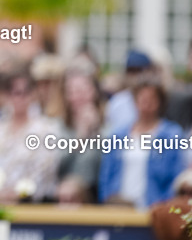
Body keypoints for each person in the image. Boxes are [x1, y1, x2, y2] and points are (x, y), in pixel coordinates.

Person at [100, 75, 187, 208]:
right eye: (142, 98)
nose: (146, 104)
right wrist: (108, 201)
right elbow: (106, 175)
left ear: (160, 102)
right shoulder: (117, 134)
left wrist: (163, 206)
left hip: (154, 209)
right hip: (119, 207)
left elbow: (176, 178)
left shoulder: (172, 134)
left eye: (152, 99)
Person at [0, 68, 61, 202]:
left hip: (31, 206)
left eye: (25, 92)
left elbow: (45, 173)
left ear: (33, 94)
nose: (20, 98)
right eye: (14, 93)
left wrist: (18, 193)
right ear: (6, 95)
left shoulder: (46, 130)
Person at [55, 64, 104, 203]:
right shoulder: (58, 126)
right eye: (73, 91)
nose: (79, 96)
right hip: (64, 198)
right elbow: (57, 164)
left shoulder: (108, 126)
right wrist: (80, 136)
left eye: (84, 90)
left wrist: (96, 132)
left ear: (94, 91)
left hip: (95, 197)